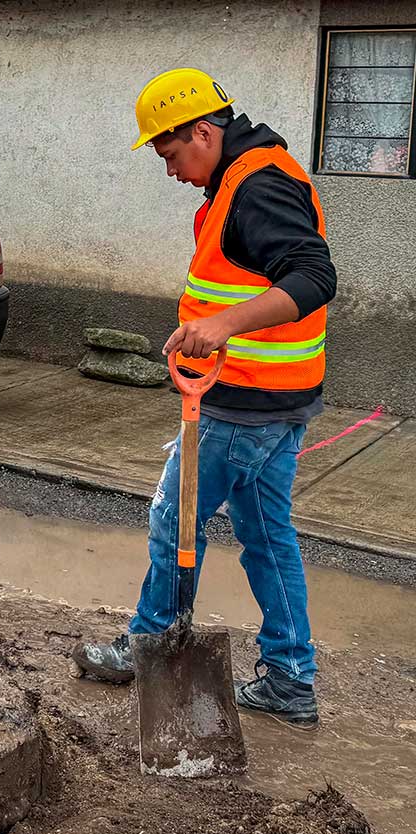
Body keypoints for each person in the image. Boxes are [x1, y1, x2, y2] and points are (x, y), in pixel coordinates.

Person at [70, 69, 336, 728]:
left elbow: (313, 275)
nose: (169, 170)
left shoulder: (258, 186)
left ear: (204, 132)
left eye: (170, 153)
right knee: (268, 536)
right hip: (276, 396)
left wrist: (218, 327)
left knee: (173, 520)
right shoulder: (246, 177)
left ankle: (151, 644)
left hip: (243, 402)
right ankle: (290, 678)